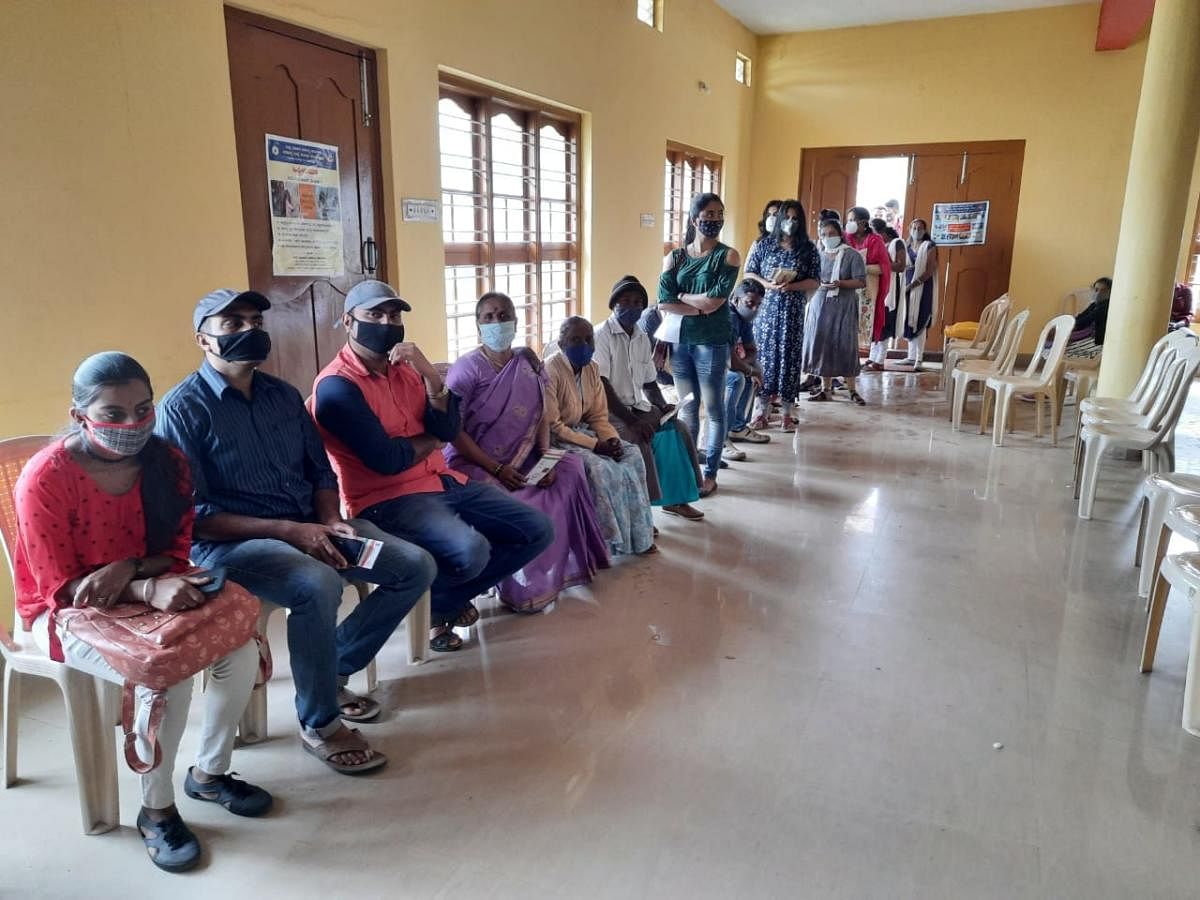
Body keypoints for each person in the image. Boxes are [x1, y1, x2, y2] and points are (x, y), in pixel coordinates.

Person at [158, 288, 433, 777]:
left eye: (254, 321)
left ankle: (333, 669)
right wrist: (291, 530)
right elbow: (195, 516)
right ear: (203, 338)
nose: (248, 331)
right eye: (232, 324)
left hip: (310, 525)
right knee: (317, 584)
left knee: (413, 566)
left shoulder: (283, 396)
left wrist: (328, 519)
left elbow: (321, 473)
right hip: (232, 545)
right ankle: (321, 723)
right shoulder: (183, 410)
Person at [16, 352, 271, 872]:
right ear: (77, 415)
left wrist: (132, 571)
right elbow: (62, 589)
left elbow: (176, 551)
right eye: (112, 414)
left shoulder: (167, 463)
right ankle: (156, 810)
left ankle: (209, 773)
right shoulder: (46, 479)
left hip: (149, 587)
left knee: (239, 647)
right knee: (168, 675)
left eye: (143, 409)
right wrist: (144, 587)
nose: (131, 425)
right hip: (61, 612)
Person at [310, 280, 556, 640]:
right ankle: (433, 604)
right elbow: (389, 460)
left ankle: (438, 601)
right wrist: (437, 436)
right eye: (374, 315)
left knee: (537, 529)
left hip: (443, 480)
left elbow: (449, 424)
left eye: (393, 315)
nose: (386, 323)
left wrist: (428, 373)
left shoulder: (405, 369)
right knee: (471, 551)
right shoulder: (337, 386)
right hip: (388, 499)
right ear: (348, 322)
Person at [442, 291, 609, 612]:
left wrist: (545, 457)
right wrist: (496, 468)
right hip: (475, 460)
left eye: (504, 316)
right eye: (488, 317)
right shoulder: (466, 370)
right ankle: (515, 583)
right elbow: (454, 432)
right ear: (477, 326)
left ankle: (553, 573)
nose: (497, 323)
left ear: (516, 322)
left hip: (525, 454)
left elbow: (541, 415)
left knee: (570, 469)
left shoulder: (528, 363)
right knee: (503, 496)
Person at [594, 275, 705, 521]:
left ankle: (676, 500)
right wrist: (632, 421)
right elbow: (601, 385)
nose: (632, 307)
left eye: (637, 302)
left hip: (638, 406)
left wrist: (661, 405)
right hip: (610, 411)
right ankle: (641, 515)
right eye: (625, 301)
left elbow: (648, 380)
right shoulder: (601, 334)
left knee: (677, 429)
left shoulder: (641, 336)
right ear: (614, 304)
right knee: (639, 440)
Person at [546, 316, 656, 555]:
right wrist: (596, 446)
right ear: (561, 342)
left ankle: (638, 535)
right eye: (575, 340)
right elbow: (554, 425)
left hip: (585, 433)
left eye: (588, 339)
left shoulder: (592, 369)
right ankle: (607, 542)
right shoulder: (550, 370)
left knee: (631, 455)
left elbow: (598, 415)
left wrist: (611, 440)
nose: (583, 345)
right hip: (558, 440)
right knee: (601, 469)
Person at [657, 192, 741, 498]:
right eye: (708, 214)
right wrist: (696, 304)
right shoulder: (675, 257)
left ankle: (711, 473)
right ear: (694, 219)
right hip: (681, 343)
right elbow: (663, 300)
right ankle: (690, 470)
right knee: (688, 410)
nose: (715, 220)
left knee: (714, 410)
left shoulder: (728, 255)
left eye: (720, 213)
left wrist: (683, 297)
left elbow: (716, 301)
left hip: (712, 343)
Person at [744, 199, 821, 432]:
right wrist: (767, 284)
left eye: (795, 218)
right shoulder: (764, 245)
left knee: (789, 358)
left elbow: (815, 279)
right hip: (766, 310)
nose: (790, 222)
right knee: (764, 358)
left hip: (793, 311)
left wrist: (793, 286)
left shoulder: (808, 249)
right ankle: (761, 410)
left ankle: (787, 411)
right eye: (786, 217)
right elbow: (749, 271)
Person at [803, 219, 869, 405]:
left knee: (845, 344)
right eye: (824, 234)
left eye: (831, 233)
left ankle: (852, 390)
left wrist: (841, 283)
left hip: (843, 305)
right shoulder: (818, 255)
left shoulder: (851, 255)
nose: (827, 238)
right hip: (820, 304)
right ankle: (825, 389)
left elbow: (861, 281)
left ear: (840, 234)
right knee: (823, 345)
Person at [724, 280, 767, 461]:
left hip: (729, 361)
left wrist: (749, 368)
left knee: (754, 369)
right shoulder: (729, 316)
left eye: (758, 305)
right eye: (750, 304)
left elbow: (752, 351)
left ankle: (738, 427)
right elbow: (730, 362)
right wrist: (748, 370)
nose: (755, 309)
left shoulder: (744, 318)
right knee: (737, 378)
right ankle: (720, 437)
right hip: (704, 364)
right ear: (735, 299)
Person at [845, 206, 892, 372]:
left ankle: (854, 363)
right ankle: (845, 363)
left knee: (861, 326)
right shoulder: (846, 238)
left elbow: (884, 268)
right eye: (848, 219)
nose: (849, 223)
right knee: (846, 325)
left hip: (868, 289)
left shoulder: (875, 240)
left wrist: (862, 267)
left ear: (863, 223)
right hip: (848, 287)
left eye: (852, 220)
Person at [865, 217, 907, 371]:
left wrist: (881, 263)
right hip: (878, 286)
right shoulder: (879, 244)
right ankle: (872, 357)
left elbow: (901, 266)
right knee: (876, 322)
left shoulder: (897, 243)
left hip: (890, 288)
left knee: (885, 323)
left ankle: (880, 360)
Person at [897, 218, 939, 368]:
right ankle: (910, 356)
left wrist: (913, 285)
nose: (916, 231)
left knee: (920, 319)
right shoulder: (906, 245)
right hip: (906, 287)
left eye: (920, 228)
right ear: (909, 229)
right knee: (908, 319)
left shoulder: (930, 246)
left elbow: (929, 270)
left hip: (922, 288)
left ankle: (919, 359)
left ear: (925, 230)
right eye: (914, 228)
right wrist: (905, 286)